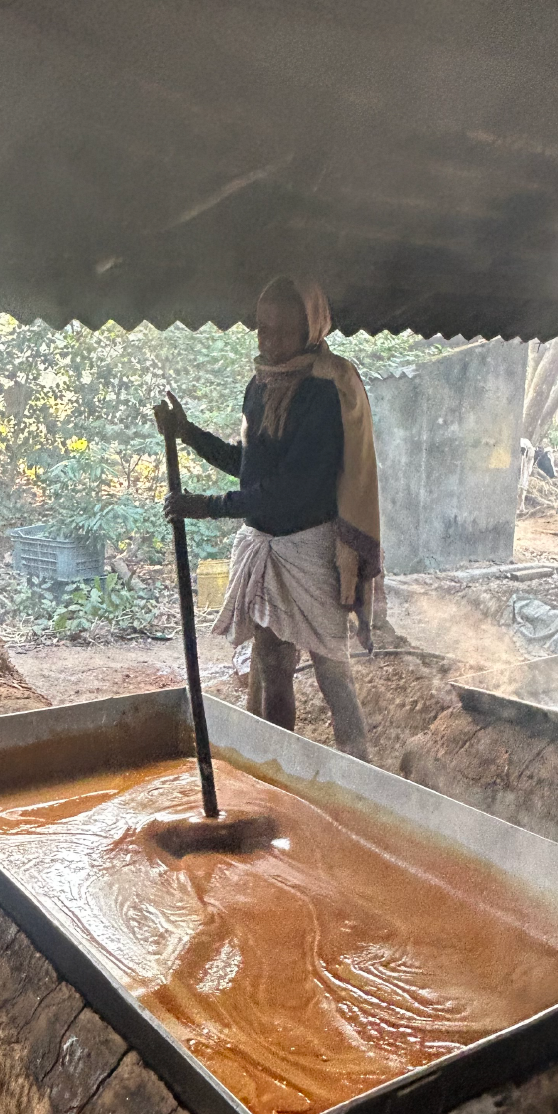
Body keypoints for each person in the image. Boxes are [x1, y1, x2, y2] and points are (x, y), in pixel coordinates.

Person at [154, 275, 381, 762]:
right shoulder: (259, 387)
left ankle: (364, 775)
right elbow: (251, 467)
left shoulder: (325, 391)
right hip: (269, 547)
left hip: (311, 551)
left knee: (332, 674)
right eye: (261, 328)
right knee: (274, 668)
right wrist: (187, 432)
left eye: (280, 330)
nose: (268, 340)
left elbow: (291, 491)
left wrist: (208, 506)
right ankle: (276, 777)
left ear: (310, 329)